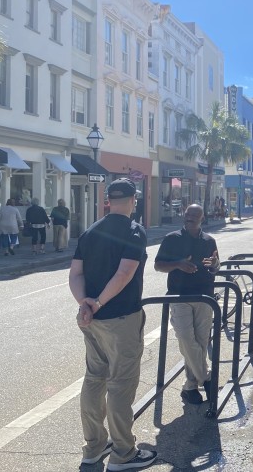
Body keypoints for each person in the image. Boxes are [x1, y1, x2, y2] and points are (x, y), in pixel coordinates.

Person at [69, 178, 157, 471]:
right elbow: (124, 274)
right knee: (121, 383)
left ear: (108, 201)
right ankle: (123, 452)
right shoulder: (134, 231)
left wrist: (85, 304)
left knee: (94, 379)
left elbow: (75, 274)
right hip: (120, 318)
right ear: (134, 200)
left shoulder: (90, 232)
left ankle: (93, 446)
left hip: (91, 320)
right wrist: (99, 303)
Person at [154, 204, 220, 405]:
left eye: (194, 215)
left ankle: (190, 387)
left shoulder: (209, 240)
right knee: (185, 339)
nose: (189, 218)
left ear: (202, 218)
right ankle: (207, 379)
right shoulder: (172, 239)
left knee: (200, 343)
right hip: (179, 296)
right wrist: (178, 264)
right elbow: (158, 265)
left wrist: (215, 265)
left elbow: (216, 266)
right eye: (187, 214)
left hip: (204, 297)